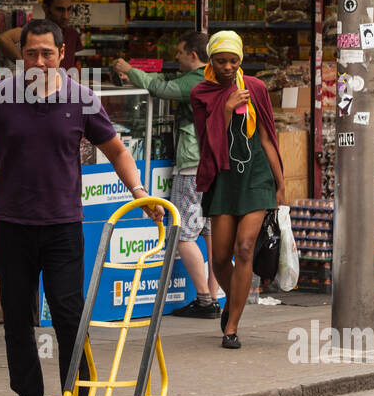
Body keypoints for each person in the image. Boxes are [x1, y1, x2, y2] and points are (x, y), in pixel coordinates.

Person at [0, 18, 158, 396]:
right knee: (18, 315)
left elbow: (117, 151)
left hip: (63, 225)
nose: (39, 61)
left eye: (47, 53)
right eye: (31, 54)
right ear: (20, 56)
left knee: (68, 314)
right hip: (11, 225)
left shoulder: (82, 99)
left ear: (62, 56)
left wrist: (138, 191)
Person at [113, 30, 221, 319]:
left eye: (179, 51)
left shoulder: (197, 80)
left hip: (193, 164)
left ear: (193, 55)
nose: (175, 56)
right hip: (213, 163)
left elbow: (161, 89)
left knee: (182, 232)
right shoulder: (213, 77)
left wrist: (129, 70)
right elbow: (166, 83)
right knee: (210, 231)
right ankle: (213, 294)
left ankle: (204, 300)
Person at [190, 30, 285, 349]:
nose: (228, 67)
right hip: (224, 177)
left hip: (257, 176)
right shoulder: (201, 93)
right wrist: (227, 108)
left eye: (233, 61)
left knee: (245, 248)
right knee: (219, 258)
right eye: (221, 61)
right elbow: (206, 141)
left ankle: (231, 326)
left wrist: (280, 184)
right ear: (210, 60)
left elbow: (267, 137)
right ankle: (234, 299)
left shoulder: (255, 88)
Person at [0, 0, 81, 71]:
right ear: (45, 8)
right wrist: (24, 64)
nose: (65, 16)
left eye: (69, 9)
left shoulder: (72, 34)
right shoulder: (35, 28)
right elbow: (3, 39)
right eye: (60, 9)